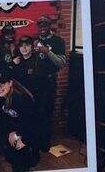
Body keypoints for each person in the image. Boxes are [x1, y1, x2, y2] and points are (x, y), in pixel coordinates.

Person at [0, 70, 39, 172]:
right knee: (14, 160)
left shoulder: (21, 98)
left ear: (10, 83)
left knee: (21, 163)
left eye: (2, 84)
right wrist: (11, 132)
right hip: (16, 133)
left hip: (28, 136)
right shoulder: (1, 98)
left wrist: (24, 139)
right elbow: (6, 119)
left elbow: (34, 122)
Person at [32, 14, 67, 151]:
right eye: (40, 25)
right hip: (35, 82)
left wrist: (47, 52)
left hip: (49, 81)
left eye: (45, 25)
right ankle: (36, 142)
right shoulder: (35, 40)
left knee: (47, 112)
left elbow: (62, 63)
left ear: (49, 25)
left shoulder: (58, 41)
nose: (42, 28)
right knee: (36, 112)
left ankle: (45, 144)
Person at [11, 36, 45, 100]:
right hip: (20, 96)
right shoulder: (16, 60)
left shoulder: (37, 60)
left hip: (35, 95)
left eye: (27, 45)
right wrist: (12, 64)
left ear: (31, 47)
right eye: (21, 46)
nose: (24, 48)